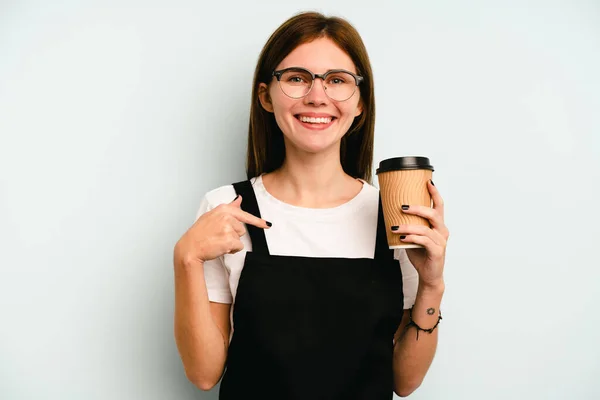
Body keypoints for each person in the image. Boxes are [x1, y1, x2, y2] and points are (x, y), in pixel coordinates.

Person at [173, 11, 449, 399]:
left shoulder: (393, 216)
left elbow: (405, 382)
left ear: (360, 104)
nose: (317, 96)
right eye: (297, 78)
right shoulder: (226, 208)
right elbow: (203, 374)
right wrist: (185, 257)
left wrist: (432, 285)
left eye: (337, 80)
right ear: (266, 96)